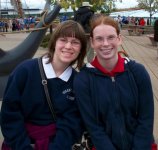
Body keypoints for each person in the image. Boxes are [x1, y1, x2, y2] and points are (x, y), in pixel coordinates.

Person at [1, 20, 87, 150]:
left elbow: (72, 123)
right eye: (63, 40)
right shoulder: (25, 70)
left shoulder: (77, 81)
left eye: (75, 42)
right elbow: (10, 114)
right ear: (54, 43)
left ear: (81, 49)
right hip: (19, 144)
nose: (68, 46)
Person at [74, 14, 154, 150]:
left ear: (119, 39)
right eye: (99, 39)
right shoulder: (83, 80)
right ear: (92, 42)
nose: (105, 44)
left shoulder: (137, 72)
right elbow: (93, 126)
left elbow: (146, 118)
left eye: (111, 37)